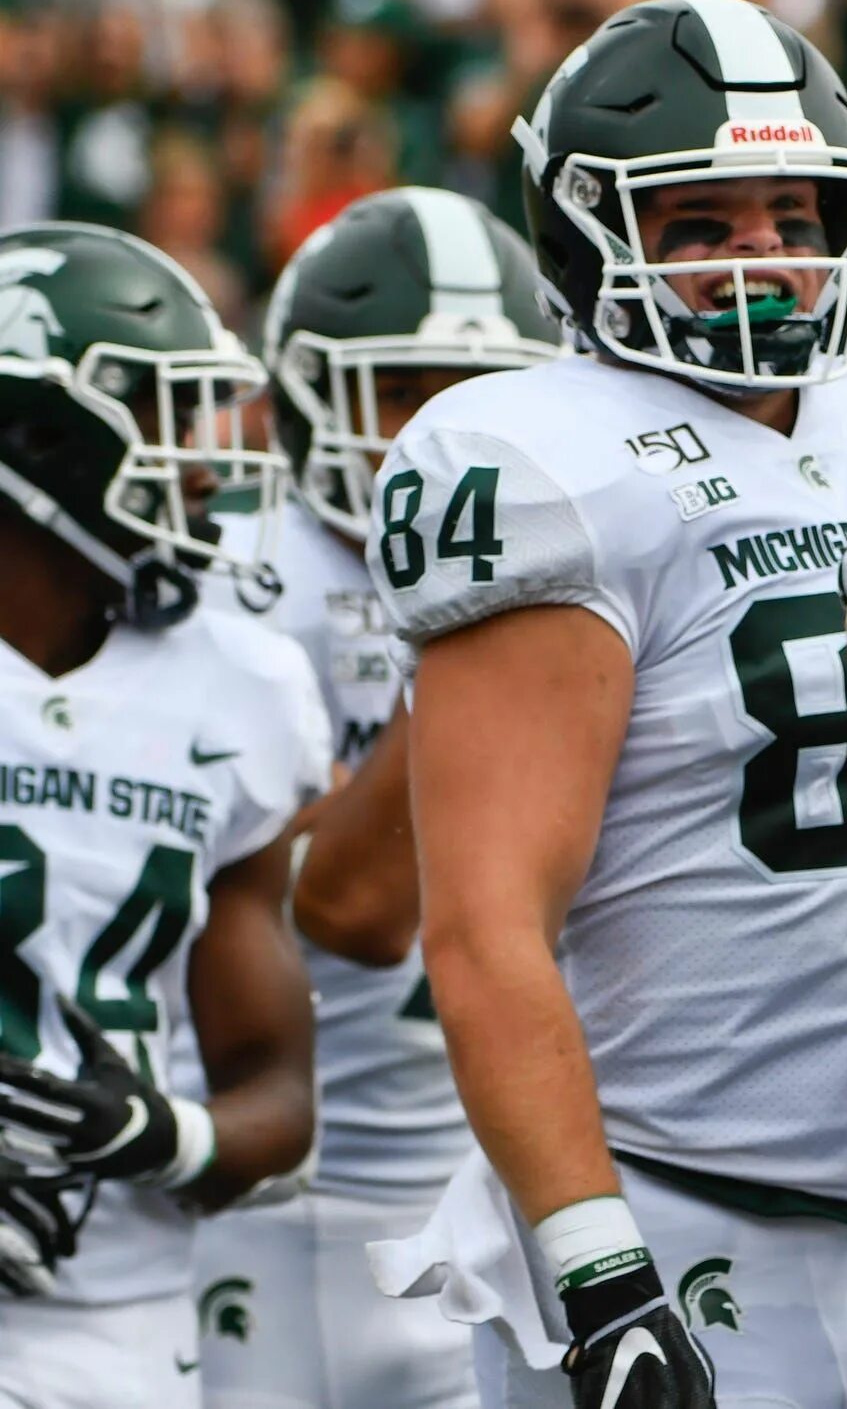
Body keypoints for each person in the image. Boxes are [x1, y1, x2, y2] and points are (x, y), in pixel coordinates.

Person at [363, 0, 847, 1408]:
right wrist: (599, 1271)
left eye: (792, 214)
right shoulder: (539, 457)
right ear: (590, 237)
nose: (762, 259)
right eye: (702, 224)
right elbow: (483, 921)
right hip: (678, 1219)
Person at [192, 186, 562, 1409]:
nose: (439, 431)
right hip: (270, 1188)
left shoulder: (581, 573)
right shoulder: (235, 582)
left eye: (475, 391)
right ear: (304, 394)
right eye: (400, 391)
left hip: (481, 1198)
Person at [0, 222, 324, 1406]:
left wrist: (156, 1135)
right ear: (36, 434)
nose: (205, 461)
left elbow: (275, 1087)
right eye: (164, 415)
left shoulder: (242, 684)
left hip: (115, 1316)